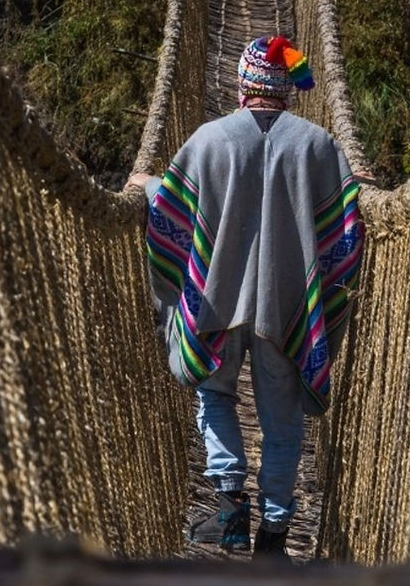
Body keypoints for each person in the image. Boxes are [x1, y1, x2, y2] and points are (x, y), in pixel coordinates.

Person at [126, 35, 364, 561]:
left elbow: (171, 208)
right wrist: (355, 190)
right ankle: (275, 540)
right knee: (283, 420)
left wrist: (147, 186)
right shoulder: (320, 147)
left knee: (215, 395)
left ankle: (230, 508)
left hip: (216, 301)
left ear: (242, 83)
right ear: (287, 89)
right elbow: (343, 229)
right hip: (287, 307)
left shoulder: (209, 140)